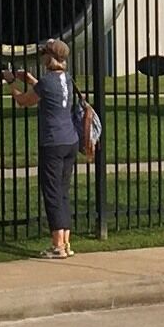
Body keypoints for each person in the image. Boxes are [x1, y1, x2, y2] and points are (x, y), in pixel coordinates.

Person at [22, 37, 100, 259]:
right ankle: (65, 242)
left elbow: (26, 101)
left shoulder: (47, 82)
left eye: (44, 53)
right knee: (63, 192)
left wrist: (12, 85)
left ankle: (57, 245)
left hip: (53, 142)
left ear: (51, 56)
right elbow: (48, 92)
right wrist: (31, 80)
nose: (42, 57)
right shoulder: (66, 78)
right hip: (70, 141)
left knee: (52, 193)